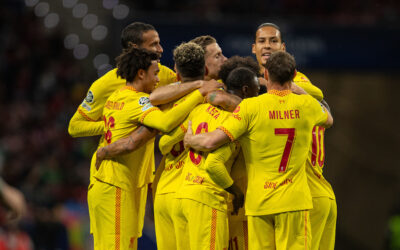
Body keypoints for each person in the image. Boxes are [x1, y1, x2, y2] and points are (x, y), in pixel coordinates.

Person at [184, 51, 333, 250]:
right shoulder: (306, 105)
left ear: (266, 75)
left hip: (259, 202)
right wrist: (302, 92)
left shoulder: (250, 107)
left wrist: (191, 138)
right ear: (293, 75)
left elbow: (211, 142)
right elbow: (329, 118)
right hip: (294, 201)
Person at [87, 47, 213, 250]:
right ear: (141, 73)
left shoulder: (116, 96)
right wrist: (199, 93)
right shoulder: (138, 101)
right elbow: (164, 123)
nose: (157, 80)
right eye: (155, 74)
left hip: (102, 183)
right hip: (116, 183)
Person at [253, 22, 337, 249]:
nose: (267, 46)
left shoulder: (297, 82)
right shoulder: (262, 91)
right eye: (262, 41)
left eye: (273, 41)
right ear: (253, 48)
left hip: (302, 193)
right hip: (295, 194)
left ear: (283, 47)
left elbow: (316, 93)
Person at [157, 66, 259, 250]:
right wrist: (236, 192)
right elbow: (214, 165)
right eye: (257, 90)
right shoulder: (234, 122)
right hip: (207, 198)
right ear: (246, 90)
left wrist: (189, 141)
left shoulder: (200, 109)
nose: (258, 95)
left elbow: (164, 144)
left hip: (183, 195)